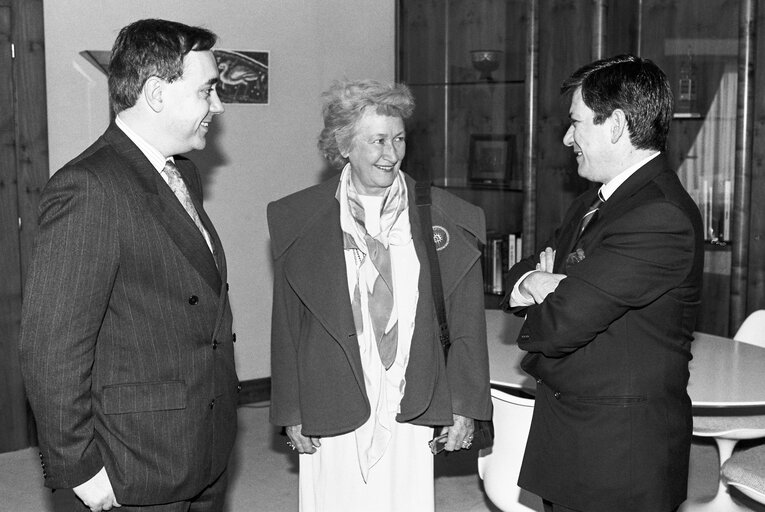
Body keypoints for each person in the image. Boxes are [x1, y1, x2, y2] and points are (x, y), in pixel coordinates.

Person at [18, 19, 238, 512]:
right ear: (157, 94)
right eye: (207, 91)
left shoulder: (181, 171)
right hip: (133, 461)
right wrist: (79, 468)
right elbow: (50, 346)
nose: (218, 107)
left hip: (200, 441)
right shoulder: (89, 187)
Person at [267, 79, 491, 511]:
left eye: (399, 139)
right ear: (344, 145)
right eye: (378, 141)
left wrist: (465, 405)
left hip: (412, 386)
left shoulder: (446, 217)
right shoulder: (299, 218)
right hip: (330, 389)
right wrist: (290, 411)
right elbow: (288, 325)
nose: (391, 154)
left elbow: (466, 322)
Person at [501, 54, 704, 512]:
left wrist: (559, 289)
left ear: (614, 125)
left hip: (619, 455)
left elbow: (559, 325)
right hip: (578, 436)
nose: (567, 137)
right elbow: (519, 274)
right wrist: (539, 281)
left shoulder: (658, 216)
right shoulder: (596, 200)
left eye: (576, 123)